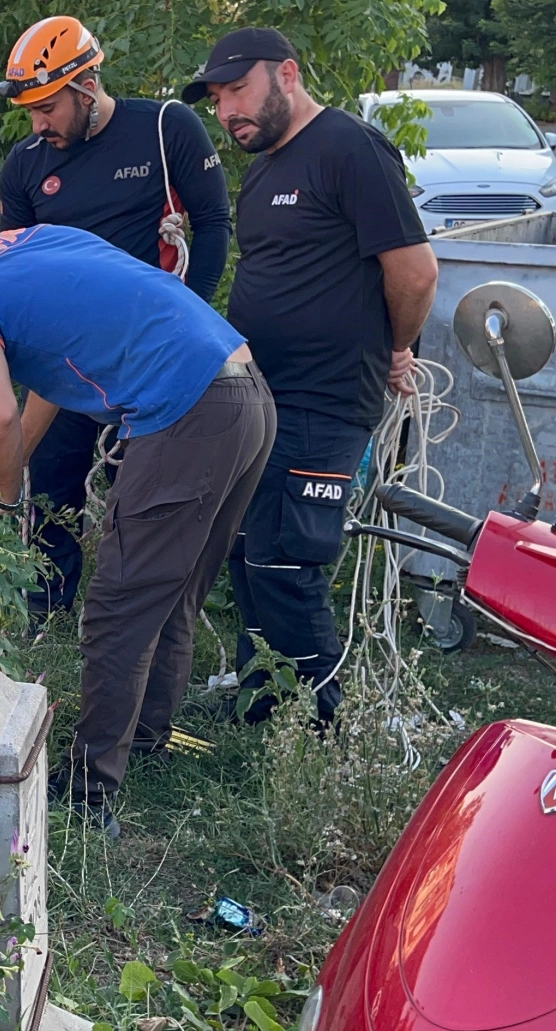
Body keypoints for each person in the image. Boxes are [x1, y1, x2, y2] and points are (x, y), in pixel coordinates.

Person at [0, 184, 275, 835]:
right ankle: (146, 737)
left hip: (184, 409)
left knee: (116, 608)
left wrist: (7, 505)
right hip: (246, 395)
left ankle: (90, 791)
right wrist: (9, 461)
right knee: (173, 589)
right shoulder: (36, 244)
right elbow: (44, 381)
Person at [181, 28, 438, 726]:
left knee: (288, 568)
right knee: (246, 555)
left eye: (237, 90)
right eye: (217, 99)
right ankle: (262, 713)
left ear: (287, 74)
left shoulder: (350, 150)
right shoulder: (265, 168)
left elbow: (414, 272)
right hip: (262, 399)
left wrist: (398, 347)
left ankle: (326, 734)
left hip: (325, 401)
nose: (226, 109)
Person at [0, 15, 231, 618]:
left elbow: (214, 224)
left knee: (148, 503)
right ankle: (47, 623)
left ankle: (137, 619)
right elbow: (11, 268)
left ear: (85, 84)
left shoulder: (163, 128)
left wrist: (189, 314)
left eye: (46, 107)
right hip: (66, 368)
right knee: (52, 496)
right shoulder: (26, 163)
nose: (38, 123)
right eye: (29, 111)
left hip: (151, 364)